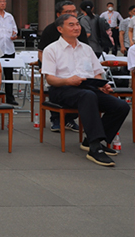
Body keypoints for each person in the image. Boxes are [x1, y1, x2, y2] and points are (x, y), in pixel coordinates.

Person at [42, 14, 130, 167]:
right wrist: (68, 80)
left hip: (87, 87)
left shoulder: (86, 48)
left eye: (77, 24)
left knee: (121, 106)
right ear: (60, 29)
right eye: (71, 25)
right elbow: (50, 79)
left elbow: (97, 72)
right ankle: (95, 147)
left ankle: (90, 141)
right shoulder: (51, 49)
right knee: (87, 96)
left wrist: (102, 84)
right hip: (62, 88)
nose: (76, 27)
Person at [38, 0, 87, 132]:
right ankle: (56, 118)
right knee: (57, 85)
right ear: (59, 14)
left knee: (87, 90)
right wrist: (47, 67)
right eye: (68, 12)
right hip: (55, 68)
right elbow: (41, 52)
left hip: (76, 69)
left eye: (74, 11)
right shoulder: (50, 29)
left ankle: (70, 119)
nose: (72, 14)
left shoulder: (79, 30)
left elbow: (85, 51)